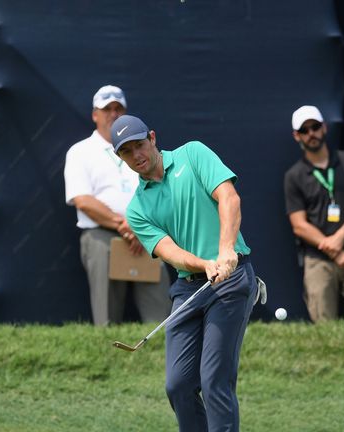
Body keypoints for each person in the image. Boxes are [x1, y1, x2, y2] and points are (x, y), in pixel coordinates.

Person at [112, 114, 258, 432]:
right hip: (189, 288)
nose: (137, 155)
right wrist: (205, 264)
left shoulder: (193, 154)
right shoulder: (137, 208)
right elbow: (170, 252)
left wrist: (224, 250)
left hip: (231, 279)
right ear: (120, 158)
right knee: (178, 385)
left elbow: (229, 198)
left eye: (139, 145)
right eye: (126, 152)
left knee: (214, 378)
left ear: (152, 138)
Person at [63, 85, 170, 326]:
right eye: (106, 109)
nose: (113, 114)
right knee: (107, 317)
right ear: (95, 115)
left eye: (118, 108)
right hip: (102, 237)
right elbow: (82, 199)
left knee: (161, 314)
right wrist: (124, 225)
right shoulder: (81, 152)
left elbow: (158, 187)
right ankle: (108, 359)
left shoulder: (142, 149)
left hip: (146, 235)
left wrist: (138, 228)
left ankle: (163, 358)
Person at [283, 105, 344, 323]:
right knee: (324, 327)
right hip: (318, 260)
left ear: (324, 128)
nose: (311, 134)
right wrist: (335, 251)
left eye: (315, 127)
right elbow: (299, 225)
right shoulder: (294, 176)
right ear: (296, 136)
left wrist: (340, 239)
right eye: (304, 130)